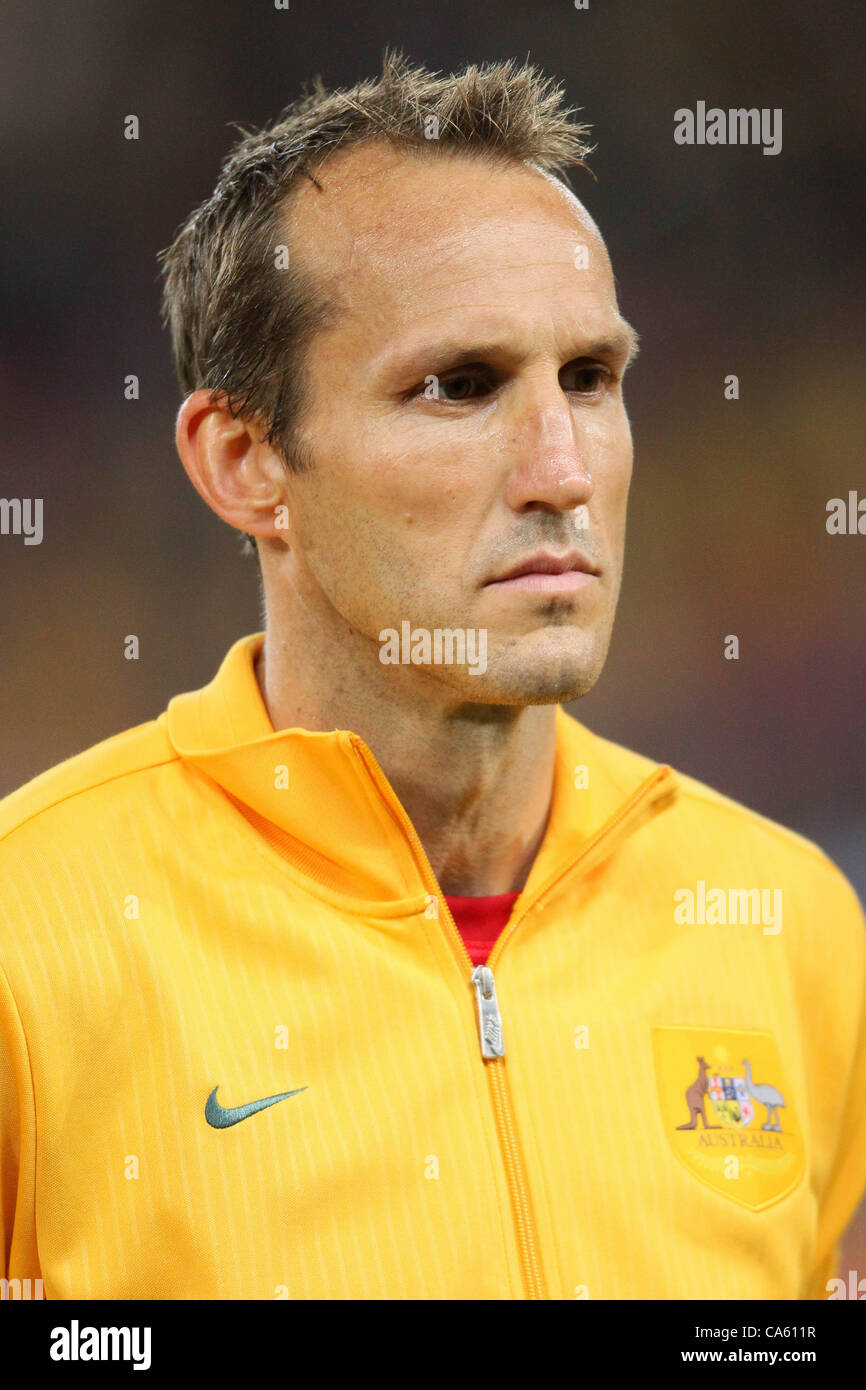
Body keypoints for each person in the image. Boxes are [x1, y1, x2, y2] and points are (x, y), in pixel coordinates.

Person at [1, 50, 864, 1301]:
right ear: (245, 460)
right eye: (459, 387)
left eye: (590, 378)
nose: (560, 470)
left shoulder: (786, 922)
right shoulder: (34, 938)